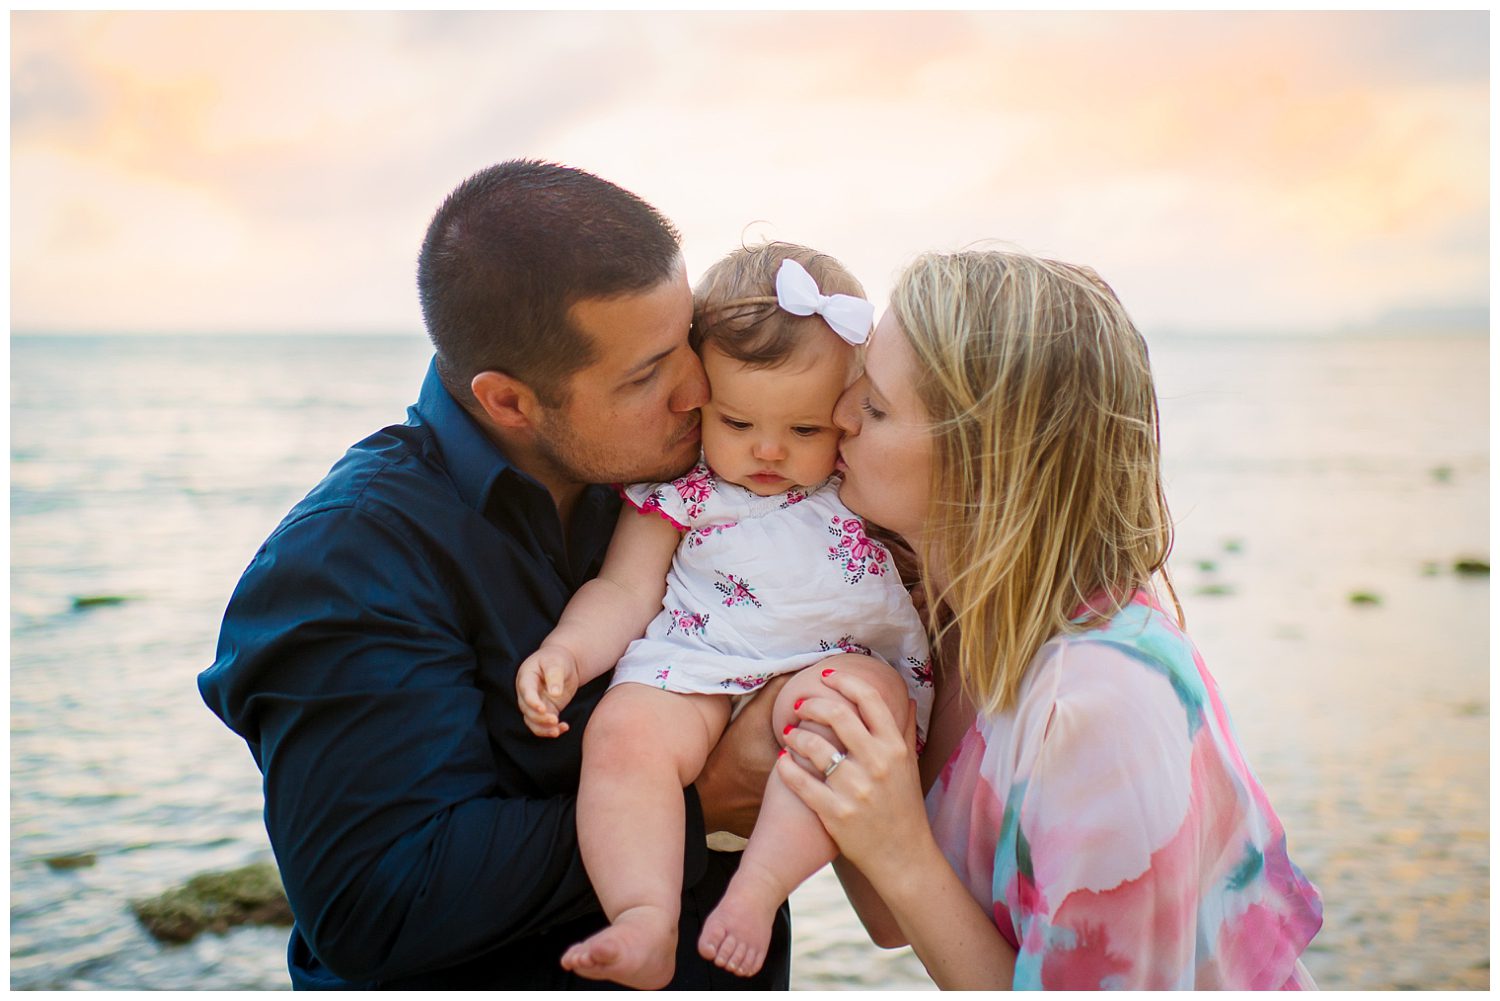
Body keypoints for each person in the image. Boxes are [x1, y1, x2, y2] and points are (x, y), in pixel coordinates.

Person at [196, 160, 793, 989]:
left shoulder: (688, 480)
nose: (699, 387)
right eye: (646, 373)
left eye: (685, 338)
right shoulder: (347, 558)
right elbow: (376, 902)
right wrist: (702, 802)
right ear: (510, 401)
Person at [774, 250, 1325, 989]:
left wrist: (900, 849)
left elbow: (908, 875)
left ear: (983, 460)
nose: (837, 416)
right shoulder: (941, 620)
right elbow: (893, 915)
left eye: (874, 406)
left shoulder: (1097, 712)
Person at [514, 244, 933, 989]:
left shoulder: (862, 484)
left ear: (849, 409)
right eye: (738, 422)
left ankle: (754, 893)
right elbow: (623, 592)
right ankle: (644, 915)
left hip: (831, 674)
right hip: (698, 665)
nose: (768, 450)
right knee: (620, 731)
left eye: (805, 431)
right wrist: (568, 654)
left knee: (843, 718)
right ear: (701, 397)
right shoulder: (684, 491)